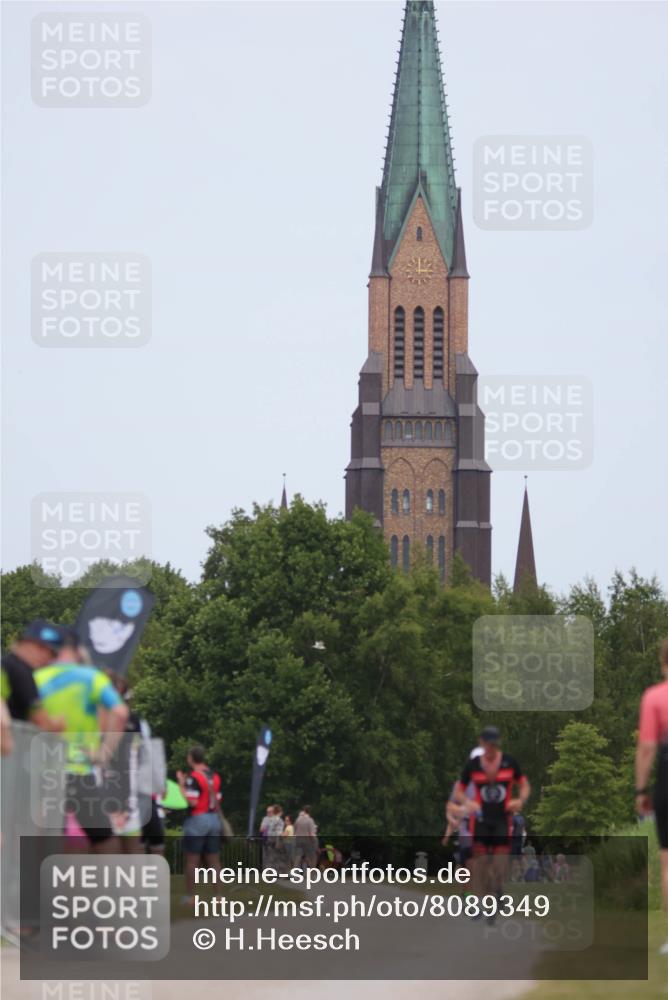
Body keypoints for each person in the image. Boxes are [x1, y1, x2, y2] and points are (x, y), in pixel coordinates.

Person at [34, 627, 129, 853]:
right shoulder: (90, 677)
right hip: (79, 769)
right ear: (77, 650)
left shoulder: (36, 677)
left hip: (44, 773)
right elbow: (121, 712)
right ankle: (109, 886)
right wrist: (104, 753)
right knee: (103, 838)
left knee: (48, 838)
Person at [455, 725, 530, 920]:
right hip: (468, 828)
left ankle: (495, 895)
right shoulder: (466, 778)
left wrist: (517, 803)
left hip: (494, 825)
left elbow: (516, 790)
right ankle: (471, 899)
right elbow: (454, 804)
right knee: (472, 865)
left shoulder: (502, 772)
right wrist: (463, 809)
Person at [636, 636, 668, 955]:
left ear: (662, 662)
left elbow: (646, 748)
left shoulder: (655, 697)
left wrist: (641, 789)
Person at [177, 746, 223, 903]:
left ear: (191, 758)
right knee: (214, 861)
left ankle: (191, 896)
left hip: (198, 819)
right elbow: (218, 798)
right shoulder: (215, 776)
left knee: (192, 861)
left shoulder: (194, 777)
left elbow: (192, 801)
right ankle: (218, 896)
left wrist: (181, 785)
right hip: (213, 818)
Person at [2, 620, 65, 731]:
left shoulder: (7, 664)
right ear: (24, 643)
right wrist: (58, 724)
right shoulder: (21, 671)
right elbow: (42, 722)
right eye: (40, 647)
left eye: (52, 653)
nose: (45, 655)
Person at [293, 806, 318, 870]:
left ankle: (295, 873)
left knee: (297, 857)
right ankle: (312, 873)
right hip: (307, 841)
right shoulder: (310, 820)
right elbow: (311, 834)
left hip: (298, 840)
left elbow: (294, 831)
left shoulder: (298, 820)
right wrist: (315, 843)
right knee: (311, 857)